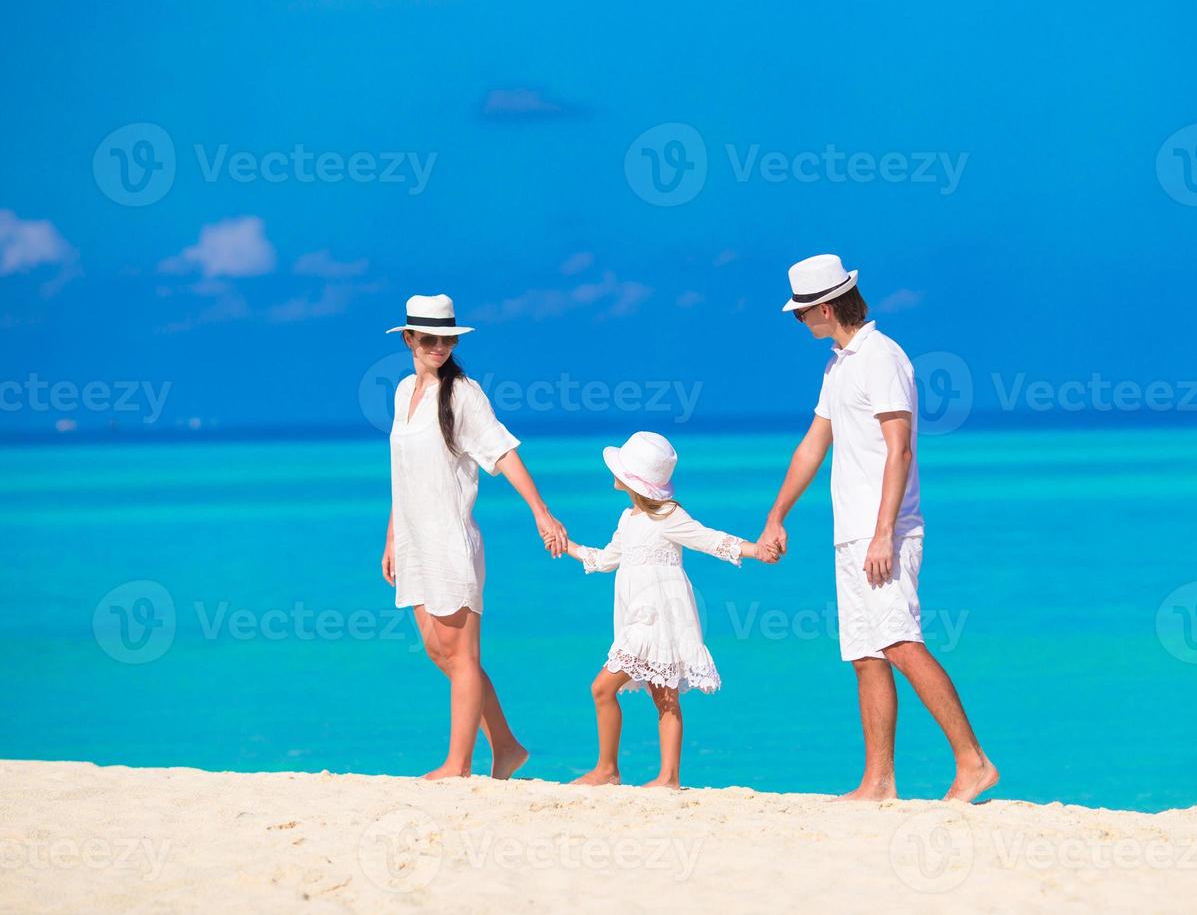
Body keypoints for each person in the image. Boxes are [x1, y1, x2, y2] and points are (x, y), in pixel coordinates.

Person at [756, 255, 999, 802]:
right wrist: (777, 516)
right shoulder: (838, 364)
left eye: (801, 314)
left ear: (824, 307)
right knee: (866, 653)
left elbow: (900, 448)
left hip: (885, 532)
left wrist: (884, 531)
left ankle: (973, 761)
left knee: (900, 641)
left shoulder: (881, 357)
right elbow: (813, 446)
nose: (799, 323)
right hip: (851, 534)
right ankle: (878, 782)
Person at [380, 293, 568, 781]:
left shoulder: (463, 394)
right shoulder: (402, 393)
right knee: (438, 651)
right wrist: (392, 535)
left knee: (462, 655)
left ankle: (457, 766)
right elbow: (404, 472)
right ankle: (505, 747)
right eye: (429, 339)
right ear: (408, 340)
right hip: (415, 540)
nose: (439, 346)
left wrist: (541, 513)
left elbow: (502, 453)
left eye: (447, 338)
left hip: (449, 540)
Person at [555, 431, 776, 788]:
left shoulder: (669, 516)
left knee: (606, 689)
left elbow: (711, 539)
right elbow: (606, 559)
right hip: (636, 620)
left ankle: (614, 771)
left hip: (658, 621)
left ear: (632, 479)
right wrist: (568, 547)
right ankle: (663, 777)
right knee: (662, 696)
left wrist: (756, 550)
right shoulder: (628, 519)